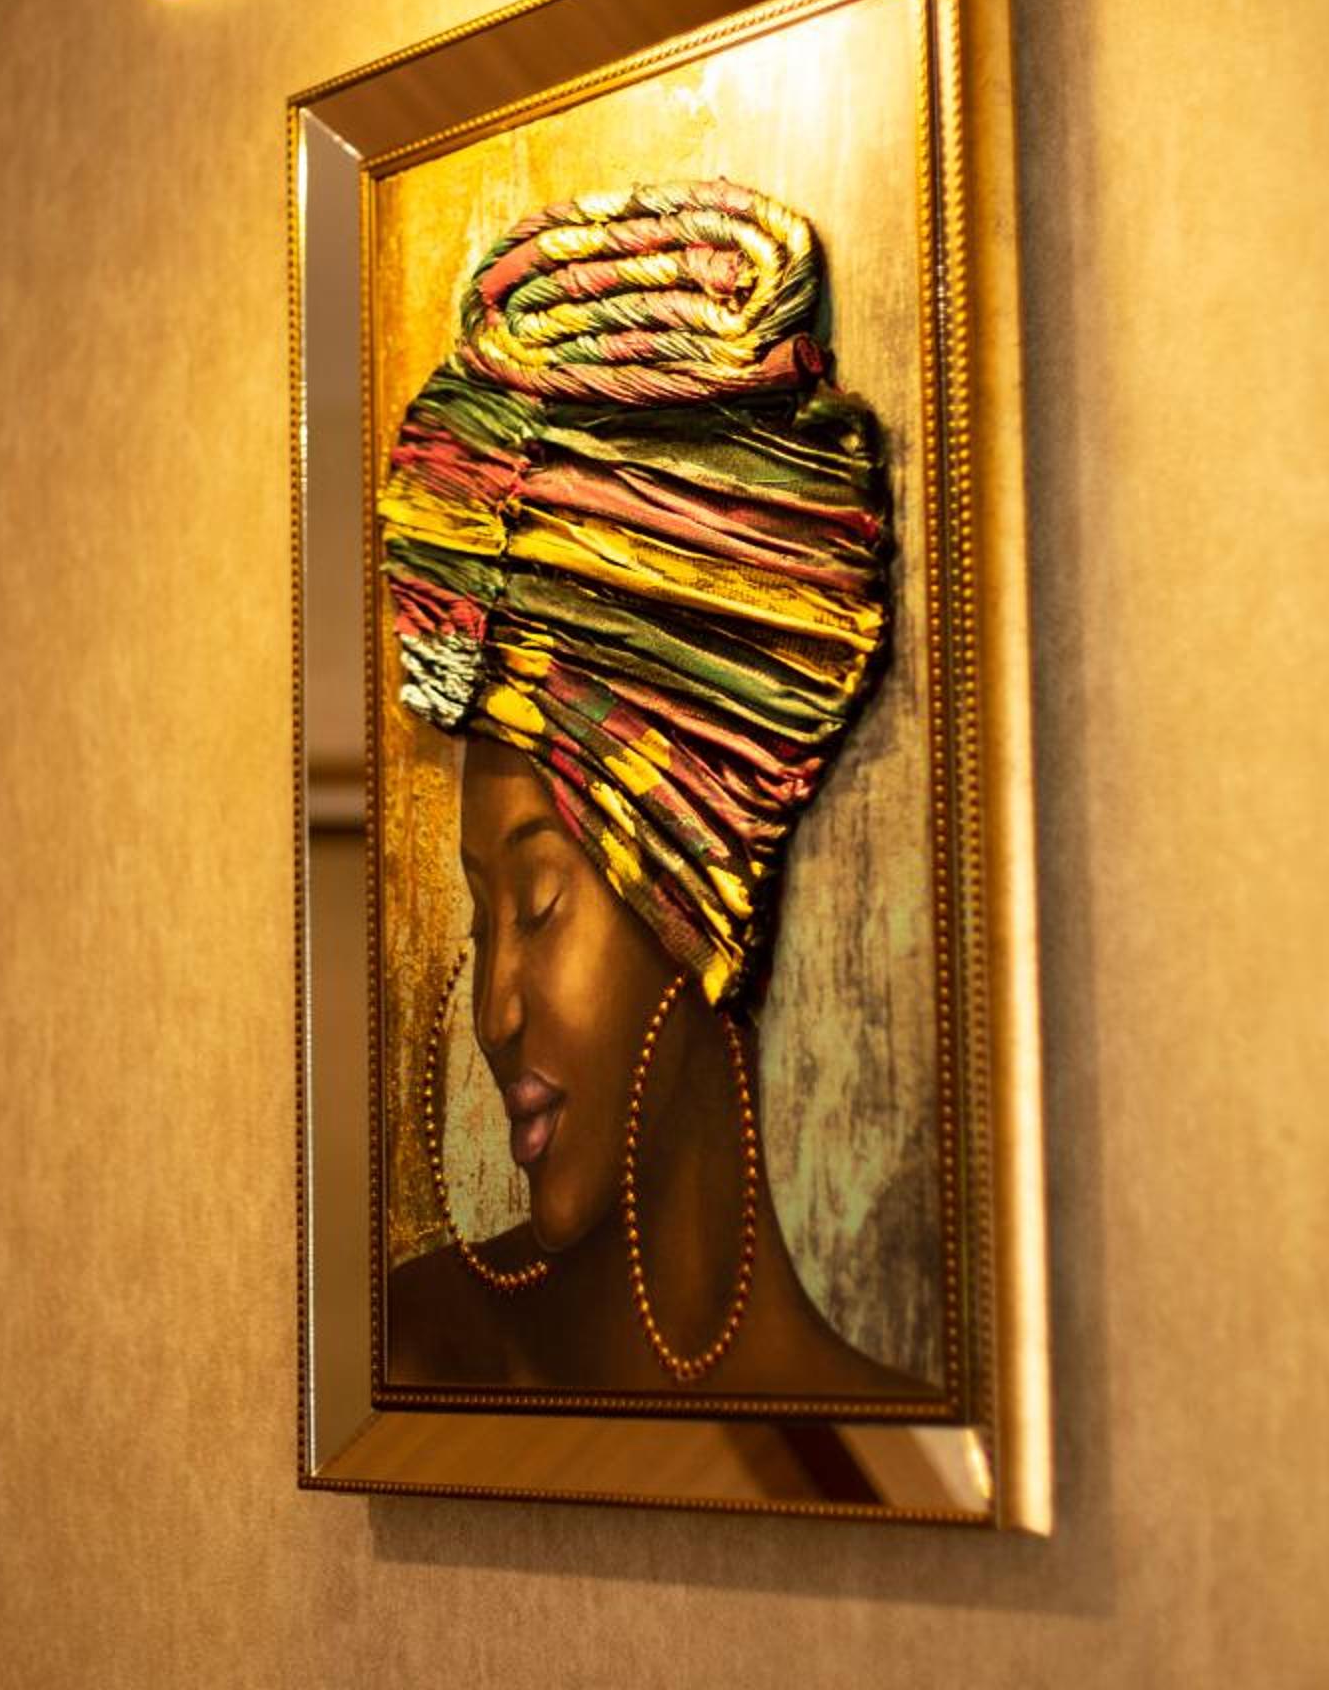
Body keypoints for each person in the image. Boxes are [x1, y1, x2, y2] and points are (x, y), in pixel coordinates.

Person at [377, 180, 924, 1396]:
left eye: (538, 904)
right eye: (480, 918)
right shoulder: (415, 1354)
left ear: (697, 884)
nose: (495, 1010)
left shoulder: (893, 1437)